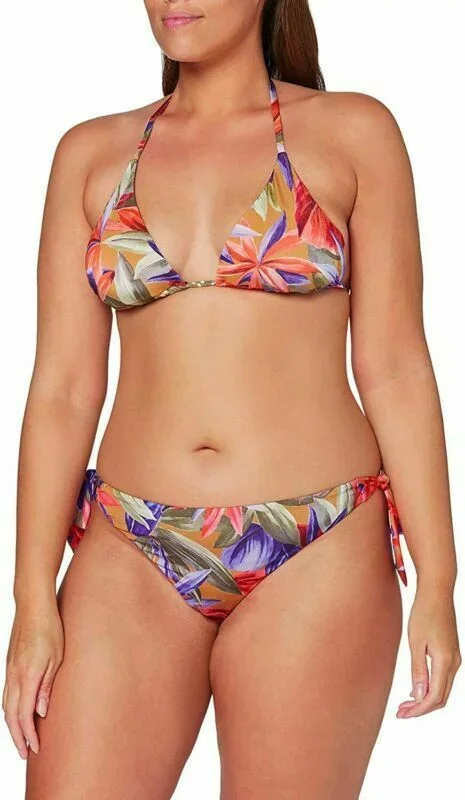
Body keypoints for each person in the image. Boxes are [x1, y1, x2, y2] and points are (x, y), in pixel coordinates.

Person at [3, 1, 461, 798]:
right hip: (129, 544)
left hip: (316, 544)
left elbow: (394, 367)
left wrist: (438, 583)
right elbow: (64, 391)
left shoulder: (352, 133)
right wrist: (31, 598)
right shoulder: (91, 153)